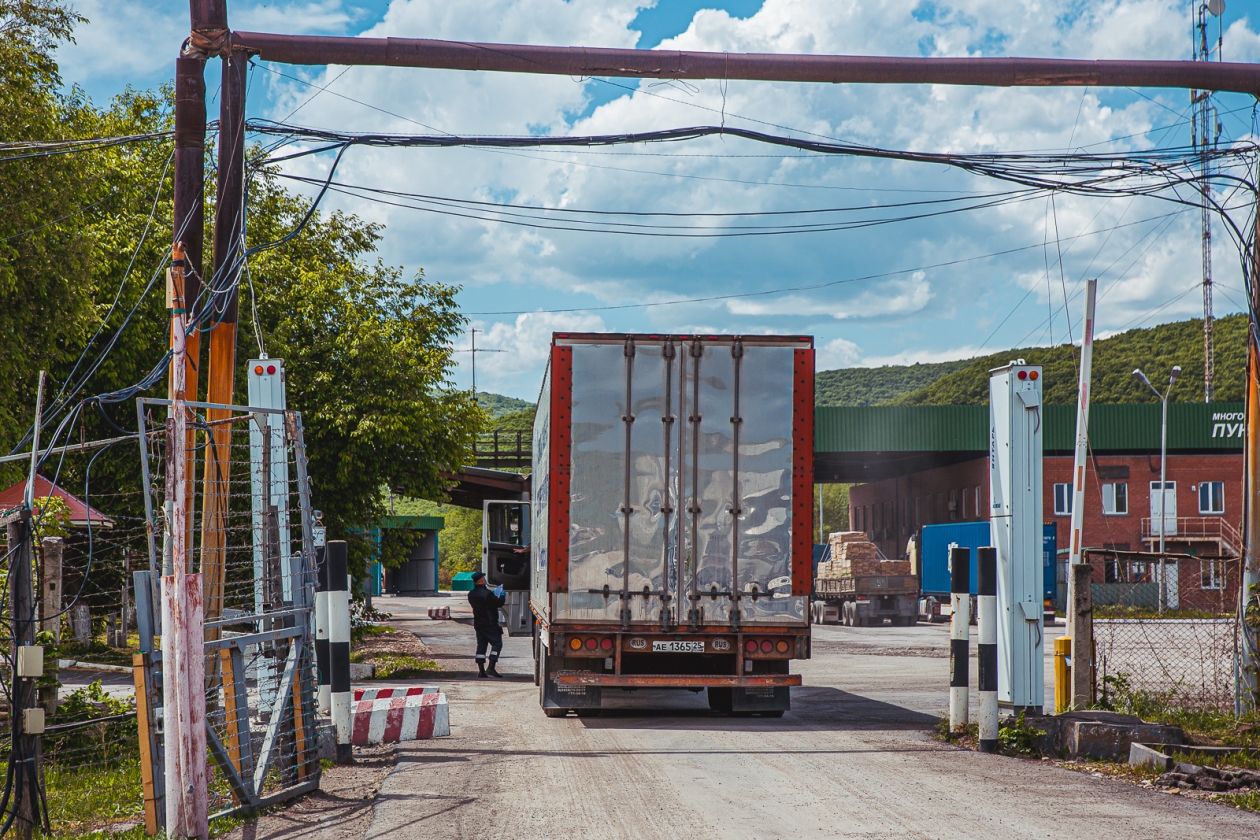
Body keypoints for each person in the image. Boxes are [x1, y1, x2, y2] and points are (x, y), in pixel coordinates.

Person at [467, 571, 506, 678]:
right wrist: (501, 595)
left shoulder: (471, 594)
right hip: (490, 623)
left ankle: (481, 671)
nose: (485, 579)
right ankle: (491, 667)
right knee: (497, 643)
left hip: (478, 624)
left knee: (481, 646)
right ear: (482, 580)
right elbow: (498, 603)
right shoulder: (487, 594)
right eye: (484, 578)